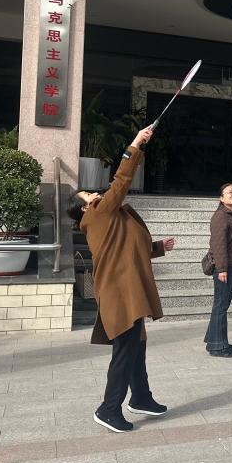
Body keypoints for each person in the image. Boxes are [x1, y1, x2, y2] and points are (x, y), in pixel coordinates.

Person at [67, 126, 174, 433]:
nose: (95, 193)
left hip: (126, 289)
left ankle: (141, 397)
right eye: (88, 194)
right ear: (85, 207)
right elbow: (122, 180)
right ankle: (108, 409)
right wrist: (135, 144)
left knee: (136, 345)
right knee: (126, 350)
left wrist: (156, 248)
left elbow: (126, 249)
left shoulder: (110, 218)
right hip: (120, 292)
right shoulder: (99, 213)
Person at [206, 183, 232, 357]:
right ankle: (218, 346)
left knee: (223, 304)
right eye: (229, 192)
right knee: (221, 305)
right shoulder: (220, 216)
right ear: (221, 198)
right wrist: (222, 268)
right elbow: (218, 245)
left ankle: (214, 340)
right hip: (225, 267)